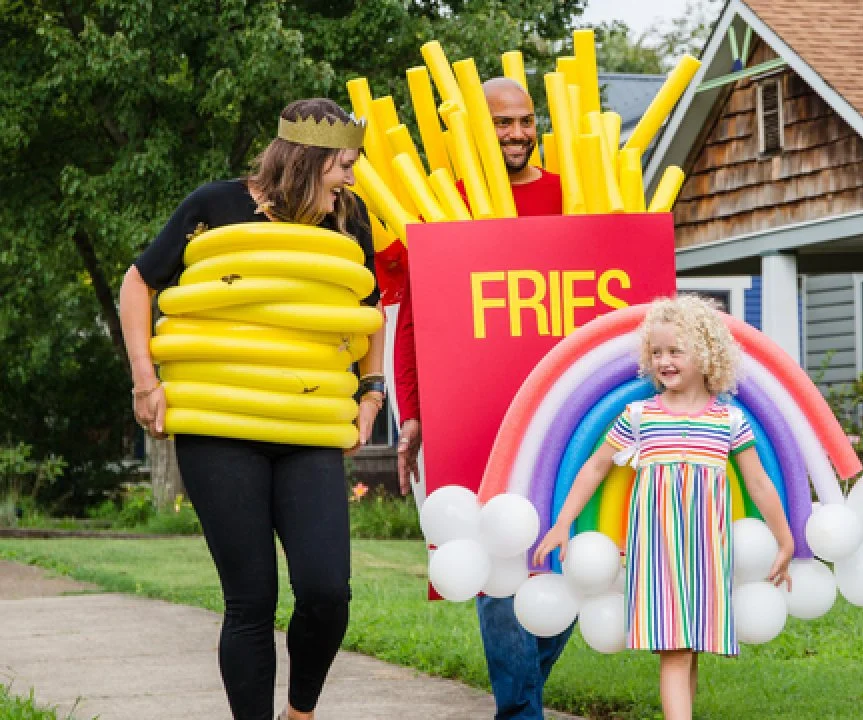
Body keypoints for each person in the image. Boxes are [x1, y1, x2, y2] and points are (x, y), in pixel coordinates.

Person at [119, 98, 385, 720]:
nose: (351, 178)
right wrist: (144, 380)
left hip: (308, 422)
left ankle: (300, 711)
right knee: (251, 601)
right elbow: (140, 282)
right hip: (221, 425)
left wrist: (371, 392)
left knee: (326, 592)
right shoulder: (214, 206)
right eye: (343, 165)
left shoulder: (348, 218)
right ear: (306, 161)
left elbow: (366, 306)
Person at [393, 77, 568, 719]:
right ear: (476, 129)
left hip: (566, 415)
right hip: (478, 415)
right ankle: (521, 714)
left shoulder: (574, 192)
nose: (518, 133)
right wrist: (412, 413)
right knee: (500, 567)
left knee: (568, 560)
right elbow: (415, 320)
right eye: (502, 123)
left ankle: (520, 701)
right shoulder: (448, 207)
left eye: (526, 120)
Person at [533, 295, 794, 720]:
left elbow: (759, 484)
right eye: (656, 352)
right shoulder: (640, 416)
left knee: (689, 647)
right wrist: (563, 523)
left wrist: (784, 539)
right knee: (673, 647)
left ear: (706, 355)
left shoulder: (728, 421)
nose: (663, 360)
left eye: (675, 351)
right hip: (659, 550)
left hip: (708, 551)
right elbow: (595, 468)